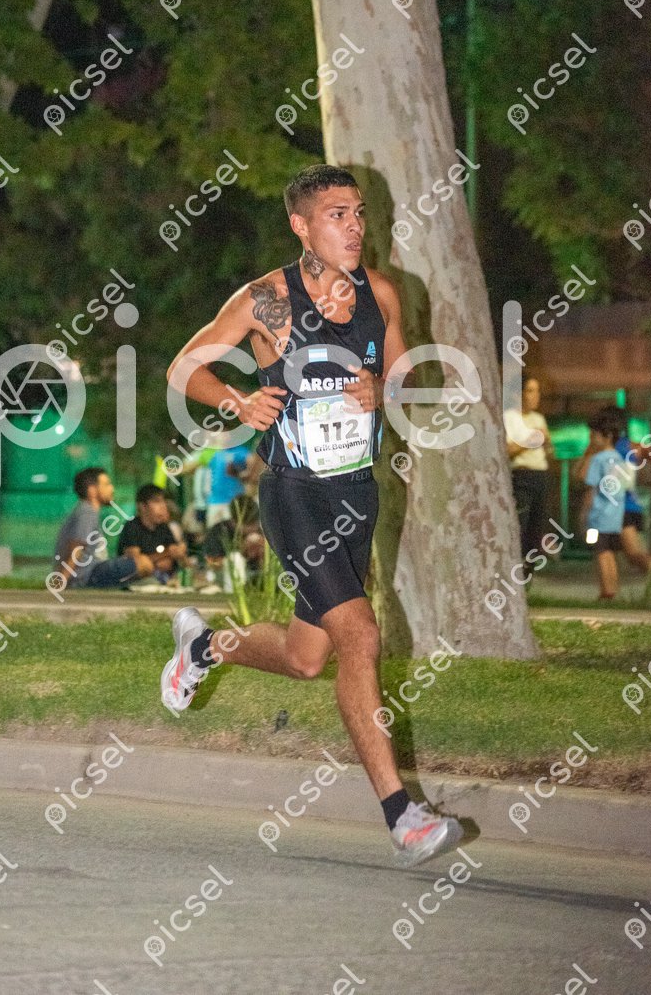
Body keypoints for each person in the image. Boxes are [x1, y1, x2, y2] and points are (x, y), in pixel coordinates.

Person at [160, 163, 463, 868]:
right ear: (301, 226)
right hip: (294, 494)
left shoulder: (379, 293)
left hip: (356, 492)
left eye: (358, 213)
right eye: (337, 215)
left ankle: (202, 648)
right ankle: (402, 816)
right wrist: (238, 400)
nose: (355, 227)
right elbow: (183, 369)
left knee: (306, 659)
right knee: (360, 636)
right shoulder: (266, 299)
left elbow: (409, 376)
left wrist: (381, 386)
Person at [53, 467, 149, 589]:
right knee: (144, 563)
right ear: (92, 490)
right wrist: (61, 582)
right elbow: (76, 550)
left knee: (140, 562)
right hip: (86, 576)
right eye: (107, 484)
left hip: (91, 571)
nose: (112, 489)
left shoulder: (86, 511)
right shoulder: (87, 513)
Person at [580, 411, 632, 601]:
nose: (591, 439)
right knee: (610, 552)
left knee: (600, 551)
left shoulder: (598, 459)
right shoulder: (619, 458)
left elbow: (591, 488)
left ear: (607, 436)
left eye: (594, 435)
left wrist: (584, 513)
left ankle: (606, 591)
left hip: (598, 516)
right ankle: (612, 590)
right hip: (615, 516)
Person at [504, 374, 554, 561]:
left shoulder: (538, 418)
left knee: (536, 527)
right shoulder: (509, 417)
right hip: (521, 475)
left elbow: (549, 451)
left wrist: (547, 443)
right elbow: (507, 450)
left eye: (538, 391)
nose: (536, 396)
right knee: (521, 524)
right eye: (530, 391)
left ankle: (529, 568)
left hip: (540, 474)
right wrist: (530, 441)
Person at [117, 483, 188, 582]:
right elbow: (136, 564)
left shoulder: (163, 527)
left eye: (164, 502)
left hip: (165, 580)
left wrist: (179, 553)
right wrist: (167, 553)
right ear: (142, 506)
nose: (163, 507)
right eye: (157, 502)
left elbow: (175, 559)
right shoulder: (132, 527)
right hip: (136, 582)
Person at [202, 495, 265, 576]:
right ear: (233, 522)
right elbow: (210, 562)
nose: (252, 529)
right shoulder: (219, 532)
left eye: (254, 524)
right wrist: (240, 552)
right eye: (247, 525)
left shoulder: (261, 532)